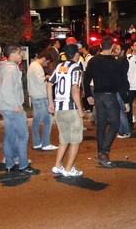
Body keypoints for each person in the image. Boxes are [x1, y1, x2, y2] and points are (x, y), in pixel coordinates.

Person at [83, 35, 129, 168]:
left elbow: (86, 78)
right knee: (115, 124)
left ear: (101, 46)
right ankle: (103, 151)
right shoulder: (115, 63)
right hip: (110, 96)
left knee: (101, 125)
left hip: (98, 95)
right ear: (112, 48)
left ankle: (100, 152)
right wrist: (125, 100)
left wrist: (87, 95)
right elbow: (120, 83)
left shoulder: (93, 61)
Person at [48, 43, 85, 177]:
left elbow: (49, 83)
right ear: (76, 54)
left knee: (63, 139)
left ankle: (58, 165)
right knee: (75, 140)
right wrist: (80, 109)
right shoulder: (76, 68)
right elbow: (74, 89)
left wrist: (51, 103)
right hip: (71, 108)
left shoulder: (59, 66)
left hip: (59, 108)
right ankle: (69, 169)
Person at [0, 45, 34, 173]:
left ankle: (10, 163)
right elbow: (8, 90)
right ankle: (23, 164)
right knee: (23, 135)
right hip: (12, 108)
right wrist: (16, 105)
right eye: (19, 53)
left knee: (9, 136)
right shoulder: (11, 70)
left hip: (5, 107)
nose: (21, 55)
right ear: (12, 54)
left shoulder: (5, 67)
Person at [28, 49, 58, 151]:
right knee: (48, 120)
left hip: (35, 96)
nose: (46, 65)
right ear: (44, 59)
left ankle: (37, 142)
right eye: (47, 62)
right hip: (41, 96)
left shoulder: (32, 65)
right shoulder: (37, 67)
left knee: (37, 120)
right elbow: (40, 81)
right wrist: (47, 77)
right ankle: (46, 143)